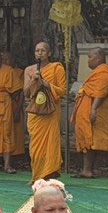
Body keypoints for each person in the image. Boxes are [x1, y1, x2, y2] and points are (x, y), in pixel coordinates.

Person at [73, 47, 108, 178]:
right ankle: (87, 170)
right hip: (93, 114)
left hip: (103, 114)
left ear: (99, 58)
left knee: (107, 143)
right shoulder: (97, 73)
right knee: (89, 141)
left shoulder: (105, 73)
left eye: (90, 57)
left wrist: (93, 109)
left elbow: (100, 93)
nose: (88, 60)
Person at [23, 41, 67, 180]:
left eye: (42, 50)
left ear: (49, 53)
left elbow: (62, 91)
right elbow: (26, 92)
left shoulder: (56, 68)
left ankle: (50, 172)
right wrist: (33, 80)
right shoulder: (29, 70)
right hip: (35, 111)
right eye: (37, 50)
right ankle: (37, 174)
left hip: (51, 111)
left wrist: (46, 84)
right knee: (35, 145)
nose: (39, 53)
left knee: (51, 142)